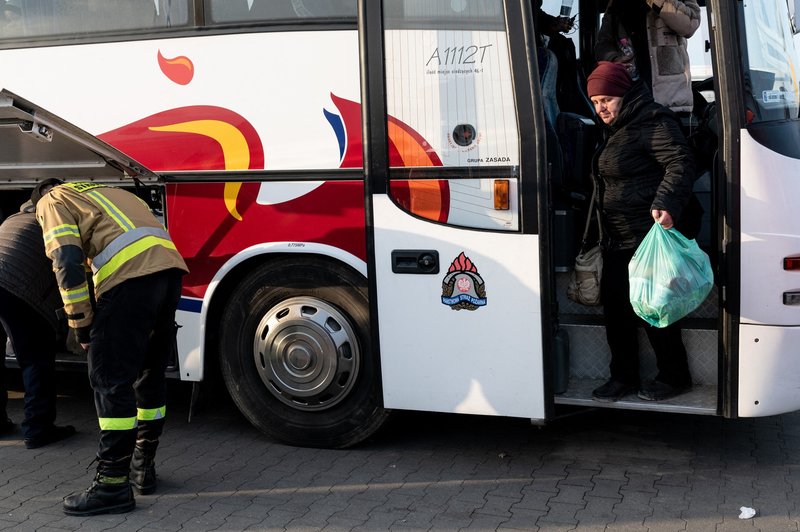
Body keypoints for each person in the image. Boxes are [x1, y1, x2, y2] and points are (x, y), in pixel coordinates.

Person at [31, 179, 188, 516]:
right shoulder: (110, 192)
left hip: (129, 281)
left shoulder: (52, 200)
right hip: (169, 275)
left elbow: (67, 260)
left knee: (109, 380)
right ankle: (142, 468)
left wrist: (81, 324)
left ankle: (112, 486)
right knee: (149, 374)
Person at [587, 61, 696, 402]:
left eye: (606, 99)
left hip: (645, 235)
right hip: (617, 237)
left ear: (623, 94)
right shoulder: (618, 126)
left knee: (654, 310)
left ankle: (675, 376)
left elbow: (680, 161)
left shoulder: (651, 120)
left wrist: (665, 203)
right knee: (617, 312)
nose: (601, 108)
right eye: (595, 102)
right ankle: (624, 377)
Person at [0, 201, 76, 448]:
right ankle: (38, 428)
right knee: (36, 359)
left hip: (6, 281)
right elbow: (66, 265)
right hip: (15, 288)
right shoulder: (55, 221)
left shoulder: (14, 217)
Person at [595, 0, 701, 113]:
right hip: (632, 99)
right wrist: (615, 59)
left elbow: (689, 25)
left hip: (669, 100)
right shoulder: (616, 4)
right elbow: (603, 45)